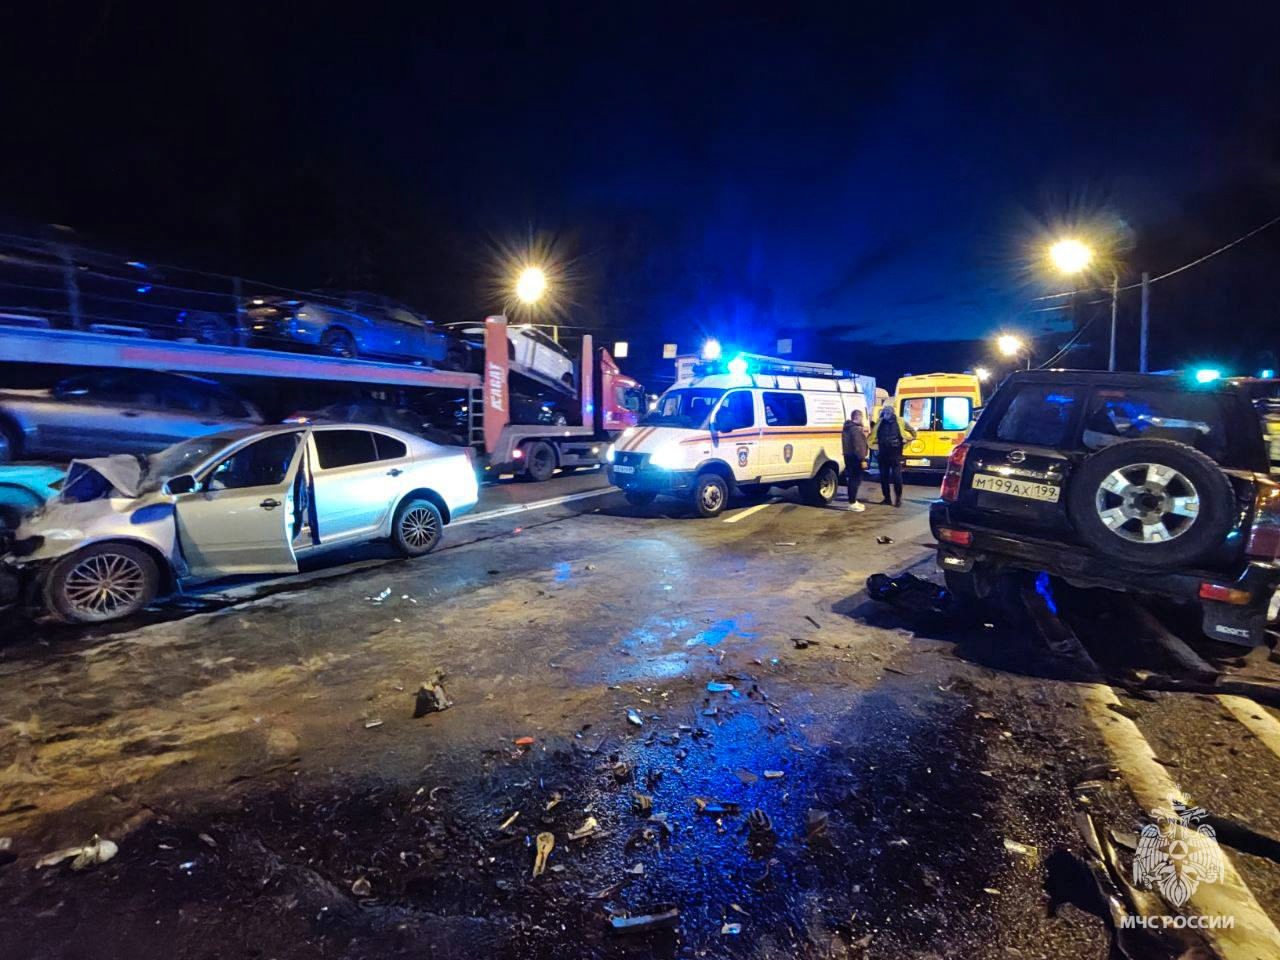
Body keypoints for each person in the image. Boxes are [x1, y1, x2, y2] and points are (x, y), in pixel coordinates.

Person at [870, 404, 917, 507]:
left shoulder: (900, 421)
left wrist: (910, 438)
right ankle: (887, 498)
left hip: (895, 452)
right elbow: (873, 434)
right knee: (884, 477)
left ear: (892, 413)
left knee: (897, 476)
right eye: (884, 413)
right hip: (883, 452)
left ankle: (898, 498)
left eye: (887, 413)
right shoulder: (880, 422)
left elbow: (912, 431)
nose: (885, 415)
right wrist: (873, 445)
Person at [841, 407, 870, 512]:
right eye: (862, 417)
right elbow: (859, 446)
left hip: (848, 456)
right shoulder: (856, 430)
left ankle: (853, 501)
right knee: (855, 480)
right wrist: (862, 459)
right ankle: (852, 502)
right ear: (858, 417)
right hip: (855, 458)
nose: (863, 420)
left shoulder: (847, 428)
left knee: (852, 479)